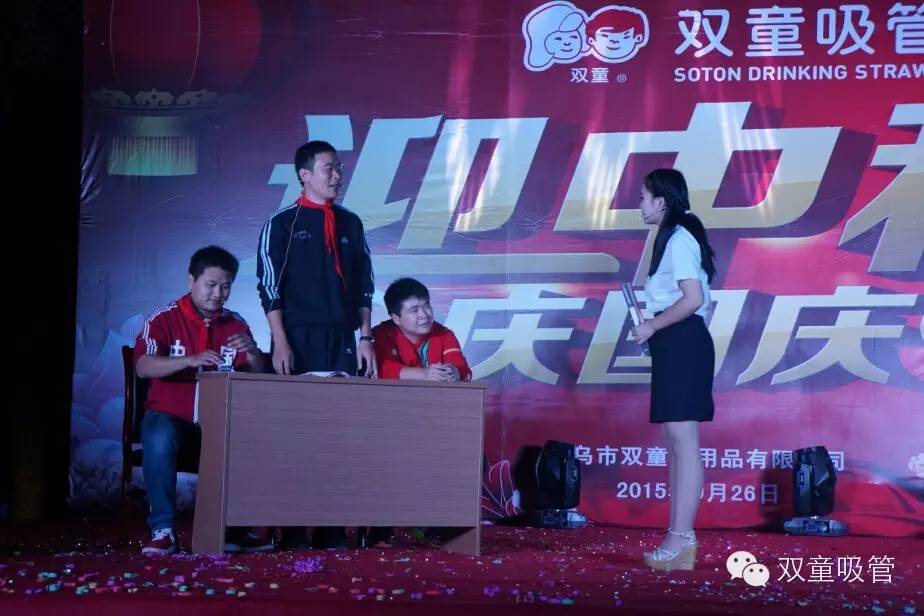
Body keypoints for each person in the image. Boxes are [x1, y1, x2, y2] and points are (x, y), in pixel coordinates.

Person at [256, 140, 376, 549]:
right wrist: (280, 342)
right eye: (329, 168)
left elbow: (364, 285)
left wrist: (365, 337)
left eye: (339, 168)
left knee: (339, 432)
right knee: (296, 433)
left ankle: (330, 525)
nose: (337, 175)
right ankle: (292, 527)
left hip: (342, 339)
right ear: (304, 175)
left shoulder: (351, 223)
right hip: (299, 338)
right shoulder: (282, 224)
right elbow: (269, 288)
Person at [134, 246, 271, 556]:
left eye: (226, 286)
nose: (218, 294)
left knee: (253, 434)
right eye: (211, 284)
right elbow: (143, 366)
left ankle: (236, 529)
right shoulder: (163, 319)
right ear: (191, 280)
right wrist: (189, 360)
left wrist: (252, 352)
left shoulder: (235, 323)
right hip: (172, 418)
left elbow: (257, 373)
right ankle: (163, 530)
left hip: (220, 420)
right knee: (158, 434)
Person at [630, 168, 717, 572]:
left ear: (661, 201)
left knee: (684, 444)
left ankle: (681, 538)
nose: (640, 205)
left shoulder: (679, 237)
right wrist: (655, 329)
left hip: (682, 341)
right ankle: (680, 538)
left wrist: (652, 326)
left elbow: (692, 298)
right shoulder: (673, 237)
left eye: (644, 197)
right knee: (679, 444)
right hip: (675, 343)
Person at [363, 278, 473, 547]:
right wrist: (424, 374)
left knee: (461, 457)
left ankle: (434, 528)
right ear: (396, 317)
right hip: (388, 421)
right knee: (384, 462)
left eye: (426, 306)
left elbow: (462, 368)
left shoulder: (443, 334)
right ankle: (380, 532)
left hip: (434, 421)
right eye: (414, 309)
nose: (424, 315)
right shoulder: (381, 334)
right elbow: (381, 370)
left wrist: (454, 372)